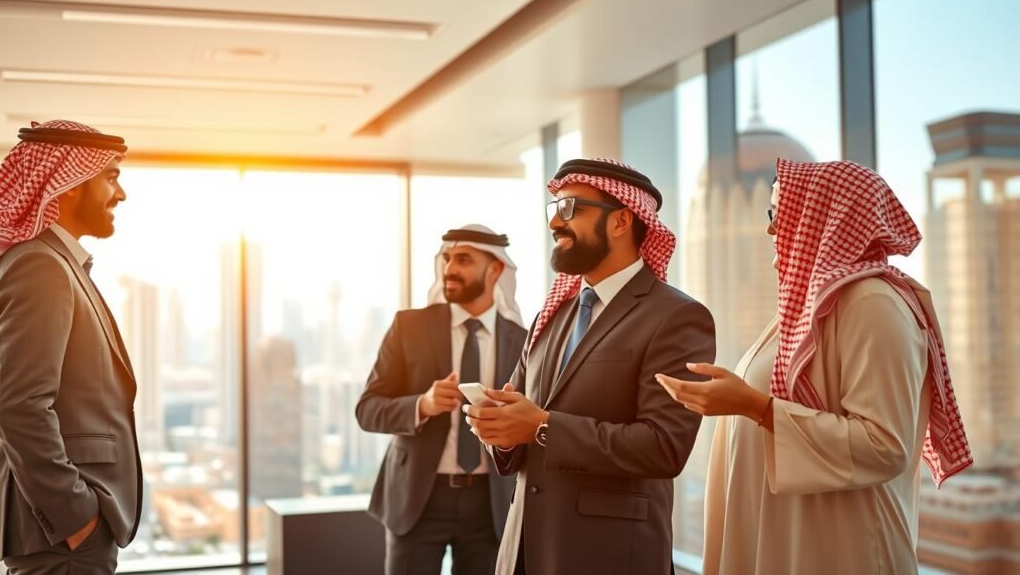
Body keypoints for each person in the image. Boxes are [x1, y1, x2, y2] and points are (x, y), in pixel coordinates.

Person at [656, 159, 974, 574]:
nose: (771, 229)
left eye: (778, 212)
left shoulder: (872, 303)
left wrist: (754, 406)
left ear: (825, 217)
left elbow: (884, 446)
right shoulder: (814, 304)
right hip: (789, 536)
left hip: (842, 548)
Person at [466, 158, 716, 575]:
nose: (555, 223)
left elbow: (664, 447)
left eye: (570, 209)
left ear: (620, 221)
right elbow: (521, 423)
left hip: (608, 556)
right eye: (553, 209)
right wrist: (500, 431)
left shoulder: (676, 317)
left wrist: (542, 427)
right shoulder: (553, 315)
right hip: (524, 551)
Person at [0, 120, 143, 574]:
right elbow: (18, 404)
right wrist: (75, 517)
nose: (120, 194)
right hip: (65, 538)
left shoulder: (58, 264)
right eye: (111, 177)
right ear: (71, 183)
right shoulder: (41, 266)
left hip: (66, 536)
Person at [356, 224, 527, 575]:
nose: (450, 268)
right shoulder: (408, 327)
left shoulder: (523, 341)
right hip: (419, 499)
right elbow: (367, 410)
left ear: (495, 269)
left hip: (491, 505)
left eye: (463, 260)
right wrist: (422, 404)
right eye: (447, 258)